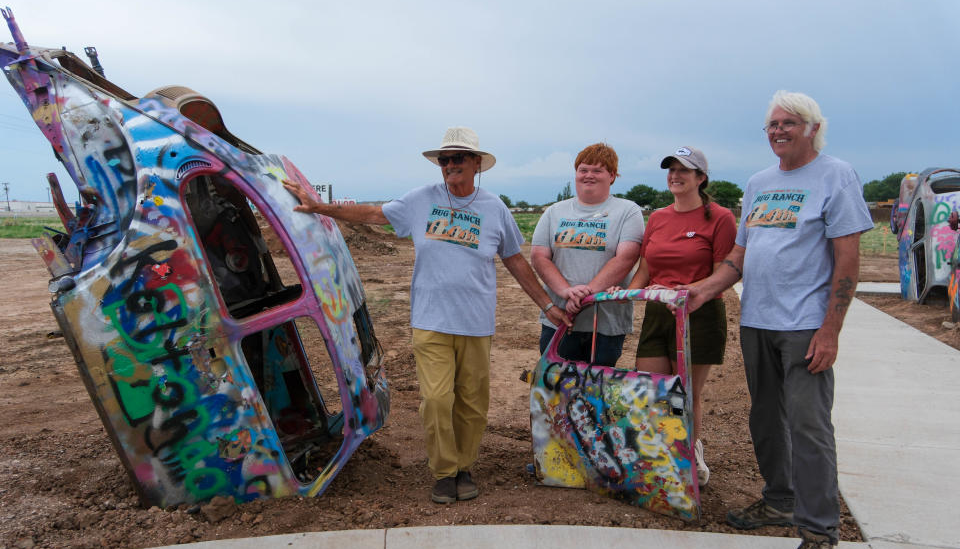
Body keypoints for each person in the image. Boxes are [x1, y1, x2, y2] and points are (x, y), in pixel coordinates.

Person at [282, 127, 570, 506]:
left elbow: (515, 260)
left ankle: (465, 467)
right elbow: (372, 213)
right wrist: (320, 206)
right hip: (430, 321)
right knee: (436, 399)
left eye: (458, 159)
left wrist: (547, 306)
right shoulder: (420, 201)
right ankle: (445, 472)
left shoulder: (495, 208)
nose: (449, 165)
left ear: (477, 164)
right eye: (444, 160)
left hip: (476, 322)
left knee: (471, 402)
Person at [684, 91, 873, 549]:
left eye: (789, 123)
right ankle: (780, 499)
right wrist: (703, 290)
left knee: (810, 425)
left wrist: (830, 330)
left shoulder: (837, 175)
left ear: (813, 128)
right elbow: (740, 257)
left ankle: (818, 536)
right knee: (766, 415)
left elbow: (847, 260)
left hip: (806, 325)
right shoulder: (759, 183)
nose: (778, 131)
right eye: (771, 124)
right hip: (758, 322)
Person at [619, 146, 736, 488]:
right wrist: (626, 296)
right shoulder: (657, 217)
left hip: (697, 311)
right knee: (653, 389)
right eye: (671, 169)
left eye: (684, 170)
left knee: (685, 393)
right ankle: (657, 456)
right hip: (659, 309)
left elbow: (721, 273)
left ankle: (684, 457)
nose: (675, 175)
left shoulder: (720, 218)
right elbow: (647, 267)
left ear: (701, 178)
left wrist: (689, 293)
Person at [530, 143, 644, 366]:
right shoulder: (555, 212)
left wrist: (587, 294)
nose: (588, 175)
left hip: (605, 323)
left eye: (597, 170)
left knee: (596, 394)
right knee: (557, 390)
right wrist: (566, 291)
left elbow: (625, 258)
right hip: (560, 319)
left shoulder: (628, 211)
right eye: (583, 170)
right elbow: (539, 257)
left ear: (611, 175)